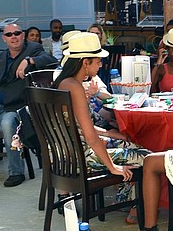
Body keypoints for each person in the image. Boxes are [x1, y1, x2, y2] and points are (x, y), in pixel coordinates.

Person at [53, 33, 150, 180]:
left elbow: (80, 126)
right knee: (149, 157)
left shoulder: (65, 82)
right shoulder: (75, 87)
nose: (101, 65)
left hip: (67, 154)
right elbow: (91, 138)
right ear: (85, 63)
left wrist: (111, 135)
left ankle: (126, 192)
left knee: (133, 144)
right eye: (98, 61)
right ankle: (128, 193)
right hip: (81, 157)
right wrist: (113, 167)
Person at [0, 23, 58, 186]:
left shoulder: (33, 49)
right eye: (9, 35)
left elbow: (51, 60)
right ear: (4, 39)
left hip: (16, 106)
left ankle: (16, 172)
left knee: (8, 124)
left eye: (17, 33)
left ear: (22, 35)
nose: (13, 37)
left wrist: (29, 60)